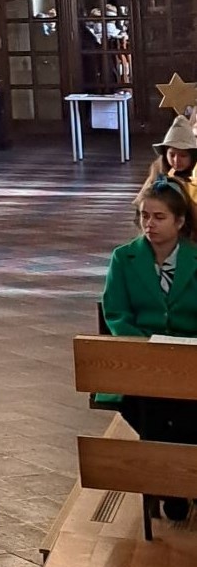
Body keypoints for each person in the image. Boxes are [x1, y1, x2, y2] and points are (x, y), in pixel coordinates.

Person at [100, 177, 197, 520]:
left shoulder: (195, 258)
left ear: (180, 221)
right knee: (149, 407)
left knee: (186, 411)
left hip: (190, 360)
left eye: (159, 217)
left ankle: (175, 483)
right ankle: (175, 486)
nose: (149, 224)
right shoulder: (124, 258)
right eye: (145, 216)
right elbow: (116, 313)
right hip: (141, 361)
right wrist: (147, 348)